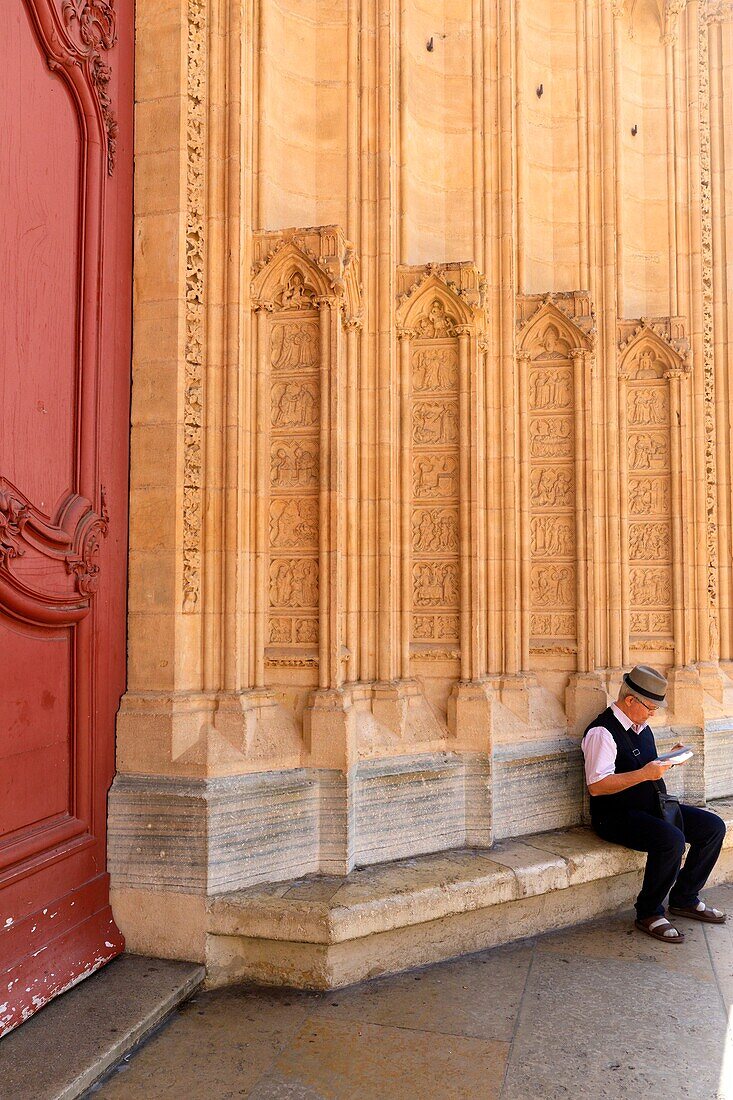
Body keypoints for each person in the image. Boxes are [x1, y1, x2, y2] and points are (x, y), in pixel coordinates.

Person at [582, 665, 726, 943]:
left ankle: (685, 897)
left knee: (713, 827)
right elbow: (597, 786)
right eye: (649, 707)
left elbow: (640, 767)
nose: (652, 713)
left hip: (651, 806)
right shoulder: (601, 732)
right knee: (671, 839)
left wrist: (666, 761)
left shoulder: (641, 727)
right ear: (630, 701)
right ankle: (648, 911)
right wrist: (645, 773)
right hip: (615, 816)